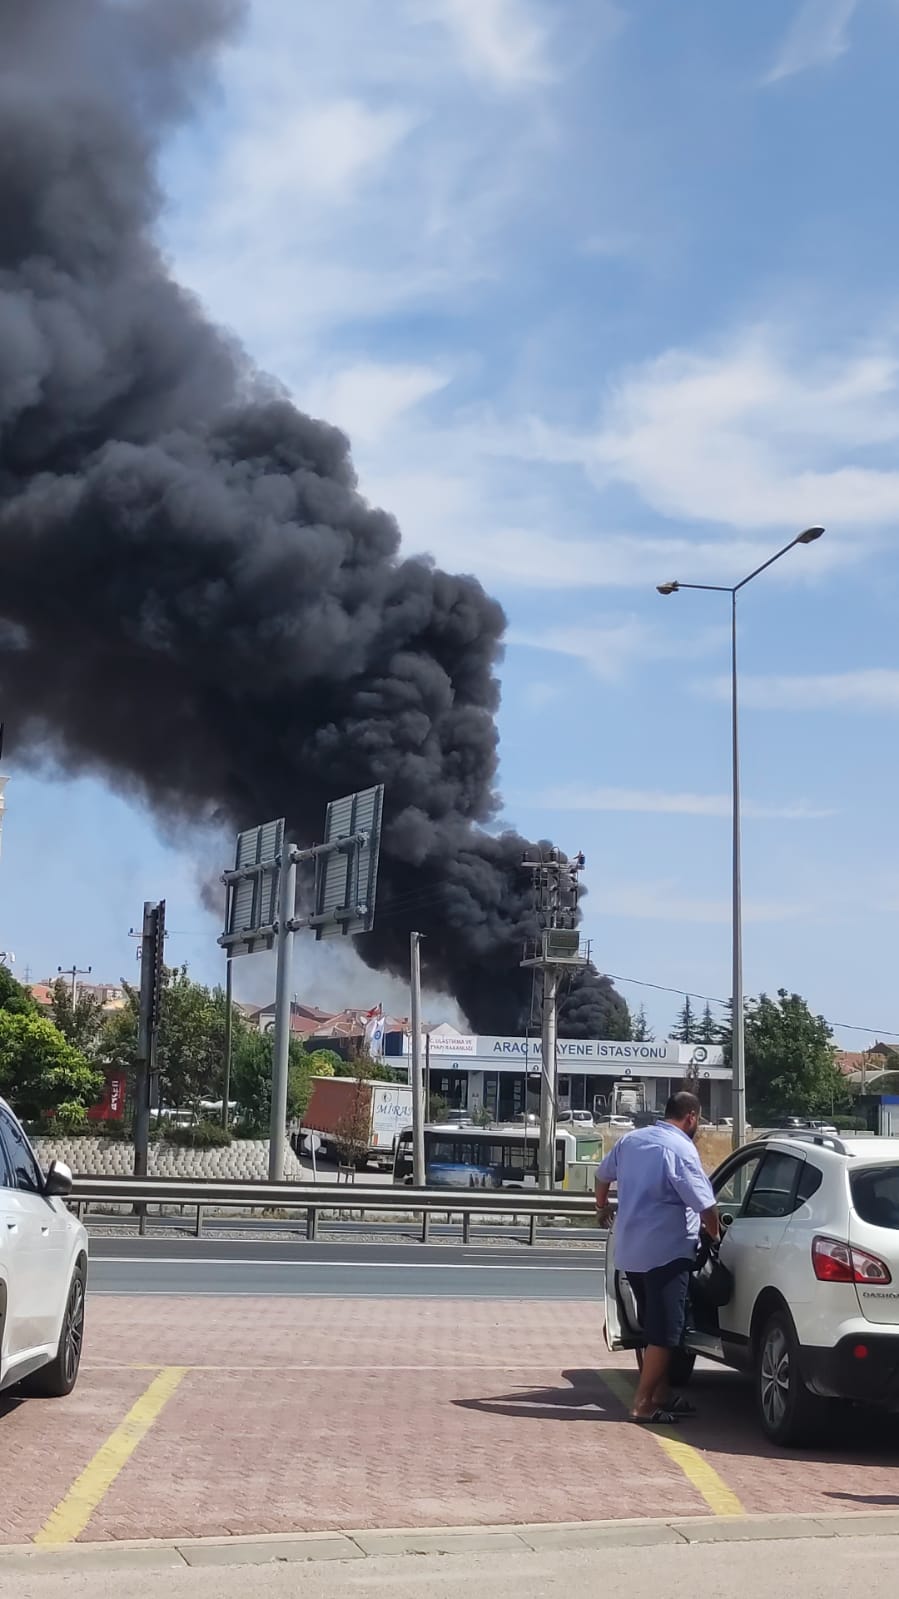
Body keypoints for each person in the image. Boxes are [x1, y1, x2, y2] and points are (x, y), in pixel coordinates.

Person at [595, 1089, 719, 1425]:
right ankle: (642, 1404)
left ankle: (661, 1393)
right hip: (667, 1253)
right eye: (699, 1120)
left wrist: (602, 1206)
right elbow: (704, 1204)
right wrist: (715, 1233)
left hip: (632, 1251)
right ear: (691, 1116)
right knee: (666, 1333)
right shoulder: (680, 1149)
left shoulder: (631, 1141)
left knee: (652, 1326)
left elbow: (601, 1176)